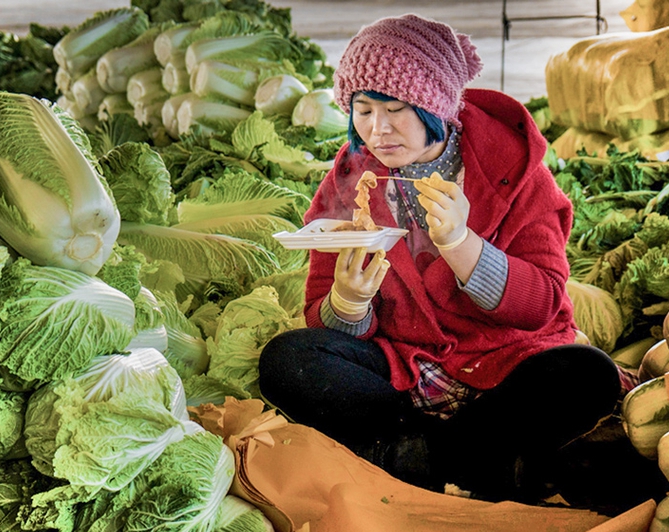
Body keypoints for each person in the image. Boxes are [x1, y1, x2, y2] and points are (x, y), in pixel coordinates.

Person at [257, 14, 643, 503]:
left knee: (586, 372)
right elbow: (320, 313)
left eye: (396, 109)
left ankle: (414, 458)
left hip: (508, 364)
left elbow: (543, 304)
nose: (378, 131)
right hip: (409, 370)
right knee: (289, 358)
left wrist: (463, 245)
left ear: (434, 104)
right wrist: (348, 303)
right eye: (363, 110)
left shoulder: (515, 172)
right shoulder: (350, 180)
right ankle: (477, 459)